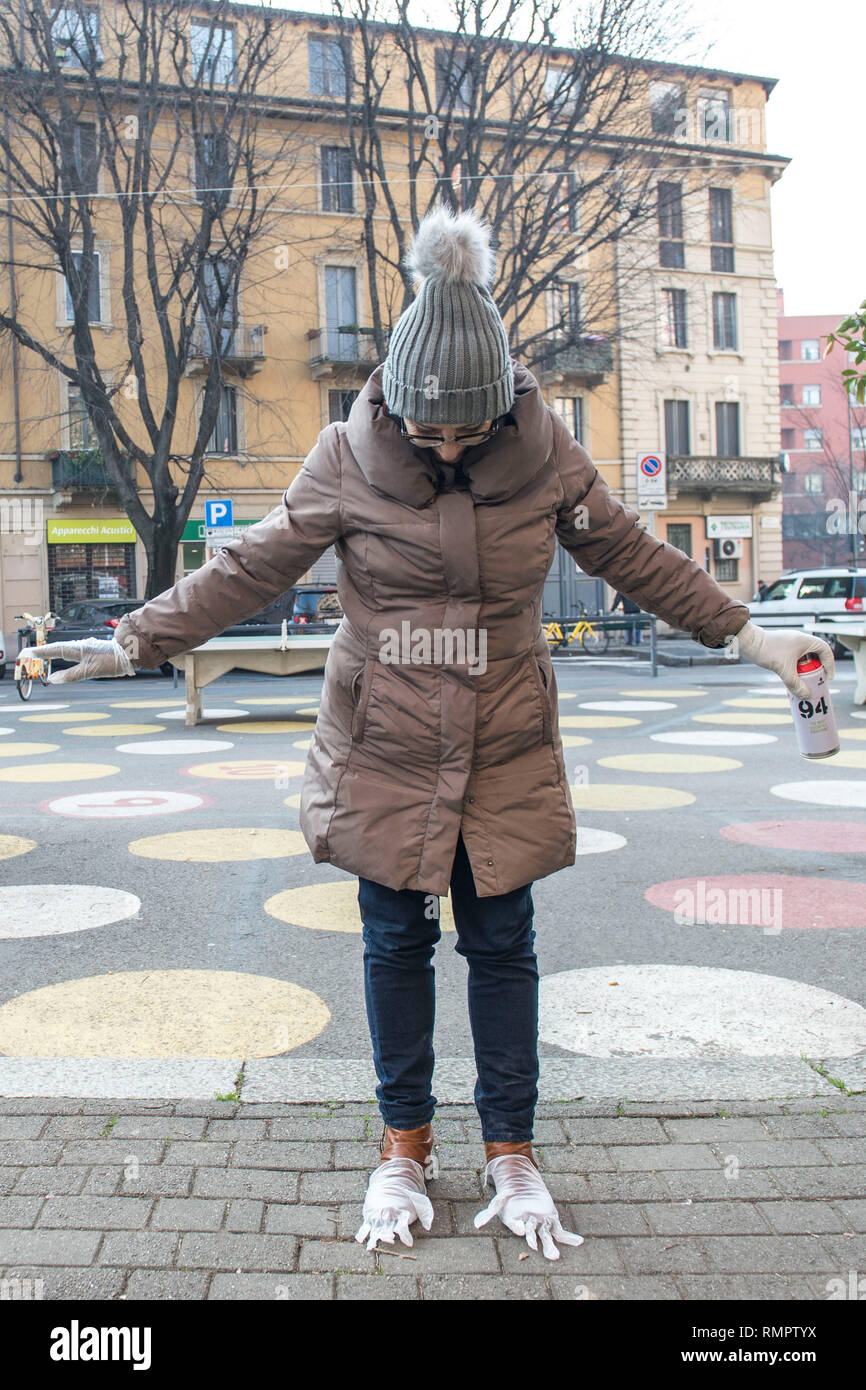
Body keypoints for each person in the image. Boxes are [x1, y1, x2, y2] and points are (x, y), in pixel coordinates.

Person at [28, 198, 835, 1262]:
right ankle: (401, 1146)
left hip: (503, 741)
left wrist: (747, 634)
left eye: (464, 424)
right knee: (392, 940)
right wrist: (133, 639)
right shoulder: (344, 457)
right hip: (384, 747)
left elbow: (636, 558)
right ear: (394, 402)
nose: (444, 440)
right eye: (426, 424)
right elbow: (249, 565)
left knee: (503, 947)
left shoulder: (549, 458)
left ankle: (510, 1153)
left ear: (500, 405)